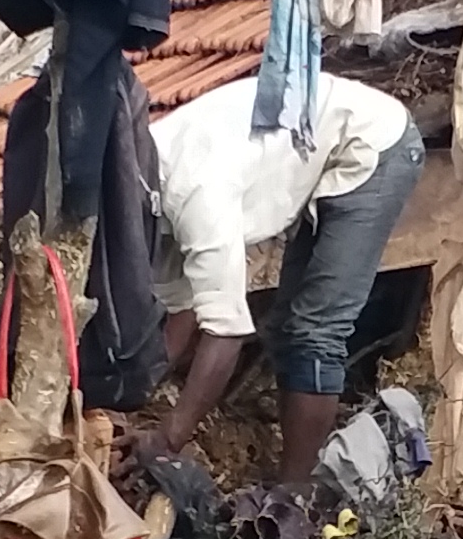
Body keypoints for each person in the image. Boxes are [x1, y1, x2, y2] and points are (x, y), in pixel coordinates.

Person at [140, 70, 421, 502]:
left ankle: (294, 497)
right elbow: (182, 310)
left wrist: (169, 438)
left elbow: (227, 333)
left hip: (372, 144)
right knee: (288, 328)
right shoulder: (141, 186)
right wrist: (138, 396)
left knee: (314, 333)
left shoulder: (195, 194)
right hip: (320, 147)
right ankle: (294, 483)